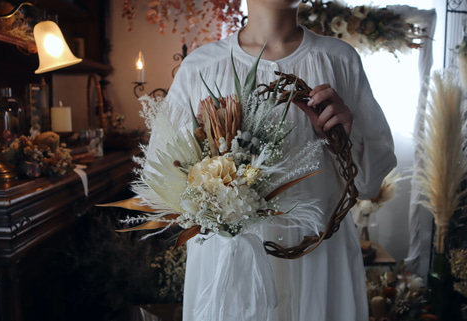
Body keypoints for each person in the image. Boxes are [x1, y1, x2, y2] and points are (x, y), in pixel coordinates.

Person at [164, 0, 397, 320]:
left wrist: (343, 138)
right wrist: (202, 147)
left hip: (318, 260)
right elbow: (163, 180)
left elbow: (369, 183)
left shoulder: (339, 60)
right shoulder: (201, 67)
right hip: (230, 268)